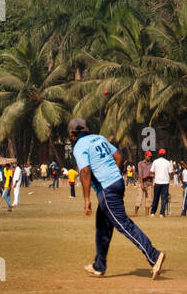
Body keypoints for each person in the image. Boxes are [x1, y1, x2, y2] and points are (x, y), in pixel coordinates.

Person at [68, 119, 165, 279]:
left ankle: (154, 255)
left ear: (72, 134)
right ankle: (99, 265)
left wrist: (87, 200)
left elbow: (85, 171)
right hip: (117, 183)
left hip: (106, 189)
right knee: (102, 225)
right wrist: (115, 177)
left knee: (124, 225)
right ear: (87, 129)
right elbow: (119, 157)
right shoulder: (99, 138)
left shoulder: (79, 146)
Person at [151, 149, 172, 217]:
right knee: (164, 198)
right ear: (165, 154)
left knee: (156, 198)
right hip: (165, 182)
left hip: (157, 182)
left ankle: (153, 212)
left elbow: (152, 171)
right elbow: (170, 173)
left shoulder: (155, 161)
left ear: (158, 154)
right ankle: (162, 213)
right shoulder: (168, 162)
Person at [133, 151, 154, 216]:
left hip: (149, 183)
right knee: (139, 198)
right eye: (148, 156)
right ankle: (135, 213)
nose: (149, 157)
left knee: (149, 199)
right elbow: (140, 174)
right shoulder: (140, 163)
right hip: (141, 183)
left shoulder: (152, 164)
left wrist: (148, 176)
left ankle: (147, 214)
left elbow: (153, 174)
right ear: (145, 156)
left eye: (150, 156)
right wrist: (142, 183)